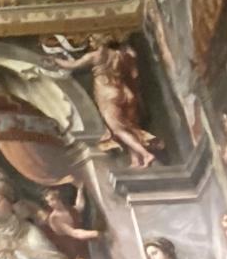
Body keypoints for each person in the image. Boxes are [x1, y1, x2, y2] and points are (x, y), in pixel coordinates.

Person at [49, 38, 160, 167]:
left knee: (117, 129)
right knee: (129, 127)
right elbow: (133, 74)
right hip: (126, 91)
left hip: (108, 94)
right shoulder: (122, 55)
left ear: (98, 42)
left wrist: (55, 60)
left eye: (92, 40)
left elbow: (72, 65)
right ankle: (136, 160)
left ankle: (145, 154)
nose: (90, 43)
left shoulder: (95, 56)